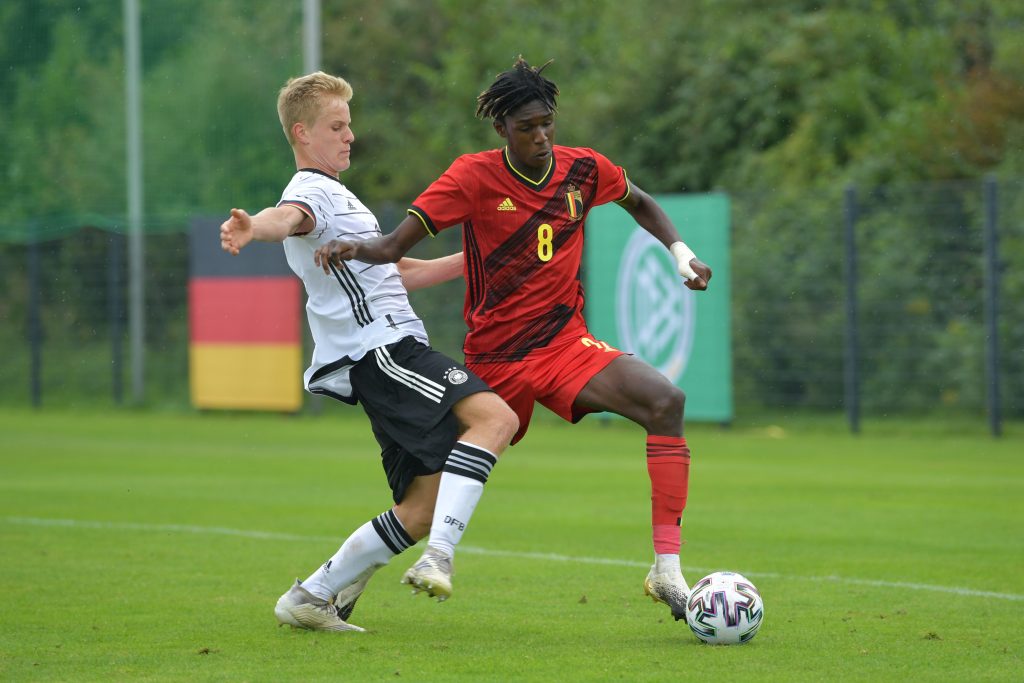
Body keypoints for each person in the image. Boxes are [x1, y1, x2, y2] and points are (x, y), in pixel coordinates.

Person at [315, 57, 713, 622]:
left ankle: (667, 569)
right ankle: (347, 579)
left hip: (565, 346)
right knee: (425, 502)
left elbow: (640, 202)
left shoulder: (583, 170)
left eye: (547, 122)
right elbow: (392, 245)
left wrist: (681, 253)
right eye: (527, 127)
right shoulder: (472, 177)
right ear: (502, 129)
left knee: (665, 401)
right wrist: (352, 247)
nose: (542, 136)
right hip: (495, 359)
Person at [220, 71, 519, 632]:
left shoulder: (341, 196)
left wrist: (479, 260)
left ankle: (311, 596)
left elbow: (398, 271)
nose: (350, 135)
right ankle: (441, 559)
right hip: (382, 351)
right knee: (496, 418)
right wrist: (252, 227)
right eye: (337, 126)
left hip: (384, 355)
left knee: (422, 509)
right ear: (303, 133)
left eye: (350, 124)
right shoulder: (309, 191)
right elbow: (285, 219)